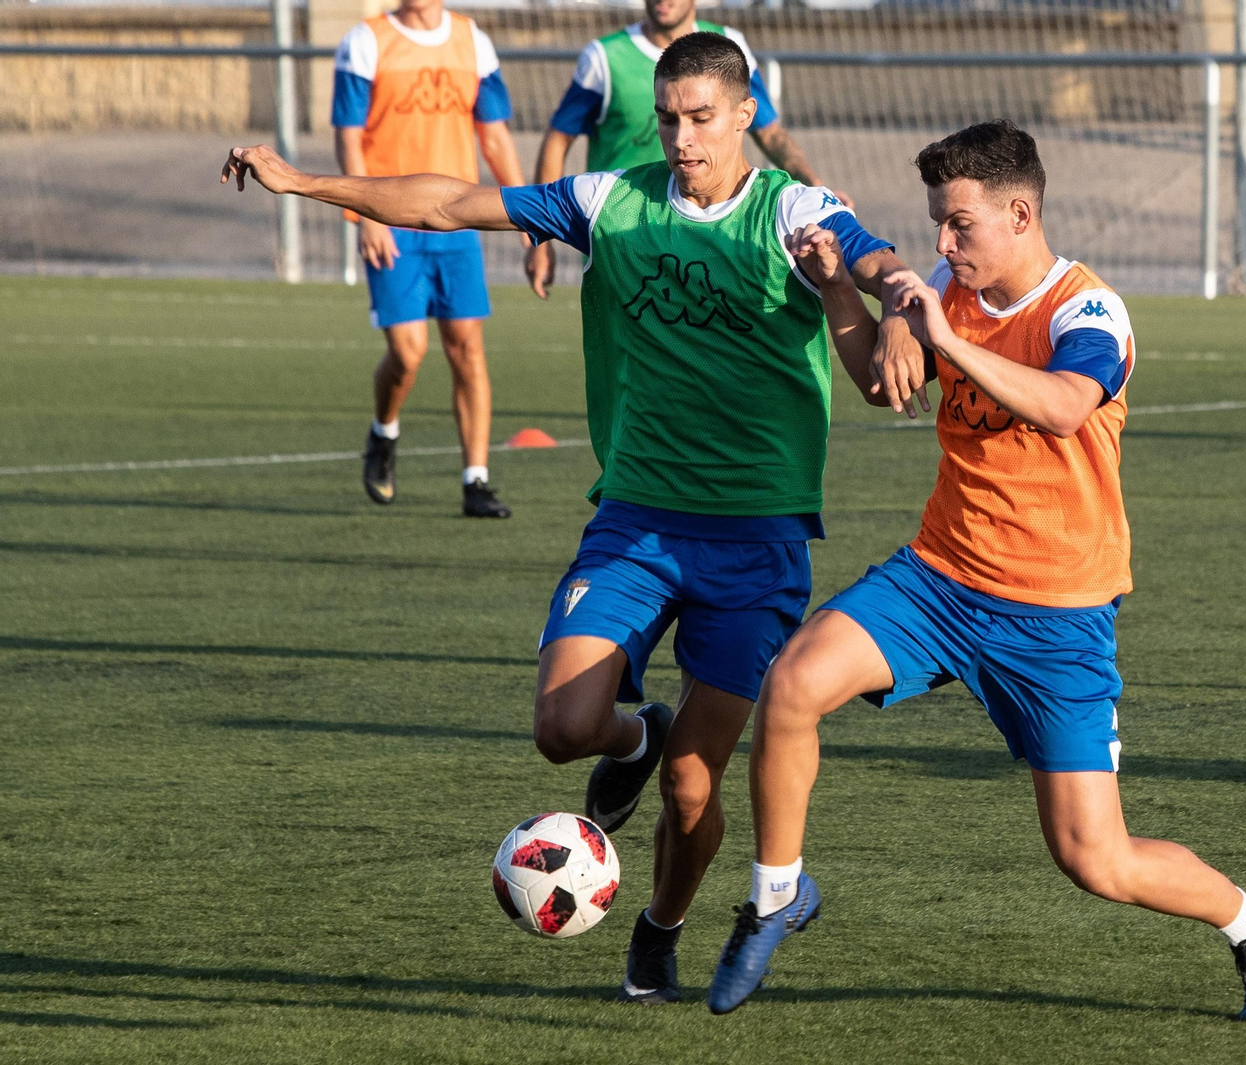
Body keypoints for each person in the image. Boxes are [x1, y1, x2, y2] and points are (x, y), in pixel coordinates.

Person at [223, 32, 925, 1005]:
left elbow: (884, 262)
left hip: (757, 542)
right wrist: (305, 184)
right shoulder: (609, 199)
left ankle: (660, 929)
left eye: (702, 118)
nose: (681, 137)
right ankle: (633, 738)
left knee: (694, 790)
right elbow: (443, 200)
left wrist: (896, 302)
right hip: (636, 522)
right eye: (670, 118)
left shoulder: (793, 210)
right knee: (564, 728)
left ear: (744, 112)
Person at [706, 121, 1246, 1022]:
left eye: (960, 226)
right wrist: (836, 293)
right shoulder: (952, 289)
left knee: (1095, 859)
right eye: (938, 227)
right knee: (790, 684)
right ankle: (777, 893)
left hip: (1055, 614)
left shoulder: (1086, 310)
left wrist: (945, 331)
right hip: (938, 579)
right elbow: (882, 382)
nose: (942, 245)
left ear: (1020, 214)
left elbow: (1064, 406)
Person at [332, 0, 524, 517]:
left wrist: (528, 208)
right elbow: (348, 137)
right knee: (408, 353)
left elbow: (495, 134)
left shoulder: (472, 40)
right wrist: (365, 214)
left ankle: (476, 481)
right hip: (391, 220)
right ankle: (384, 431)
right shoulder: (366, 40)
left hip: (456, 221)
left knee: (467, 347)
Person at [524, 0, 849, 299]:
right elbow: (558, 138)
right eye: (666, 118)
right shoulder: (605, 58)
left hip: (709, 234)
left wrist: (815, 188)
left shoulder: (728, 50)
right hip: (627, 238)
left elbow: (771, 134)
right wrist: (542, 239)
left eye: (700, 117)